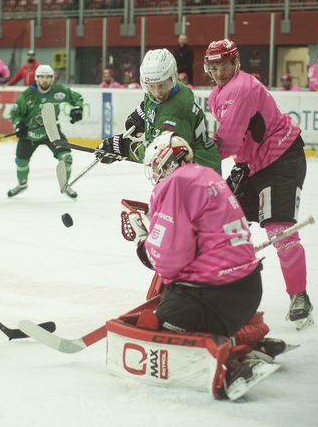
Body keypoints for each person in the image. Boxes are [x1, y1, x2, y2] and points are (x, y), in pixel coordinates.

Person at [118, 132, 281, 400]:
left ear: (165, 163)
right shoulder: (208, 176)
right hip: (248, 289)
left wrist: (143, 241)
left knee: (157, 326)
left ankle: (231, 363)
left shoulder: (175, 184)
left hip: (212, 295)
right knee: (181, 310)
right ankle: (253, 340)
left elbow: (169, 260)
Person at [204, 39, 313, 330]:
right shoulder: (216, 96)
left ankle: (299, 296)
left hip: (282, 159)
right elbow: (235, 143)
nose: (219, 72)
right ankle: (221, 288)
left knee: (280, 232)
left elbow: (226, 142)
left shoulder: (242, 88)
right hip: (252, 165)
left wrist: (188, 156)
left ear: (235, 63)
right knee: (219, 224)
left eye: (224, 66)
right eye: (214, 68)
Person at [96, 48, 220, 173]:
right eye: (151, 86)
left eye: (162, 85)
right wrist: (142, 113)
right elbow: (152, 102)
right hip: (183, 168)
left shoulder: (176, 112)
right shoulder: (173, 88)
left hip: (199, 173)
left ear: (173, 77)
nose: (157, 93)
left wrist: (124, 147)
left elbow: (161, 153)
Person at [8, 64, 83, 198]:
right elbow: (15, 112)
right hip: (29, 135)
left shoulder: (59, 91)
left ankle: (66, 185)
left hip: (52, 132)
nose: (45, 80)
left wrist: (77, 108)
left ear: (52, 79)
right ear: (36, 78)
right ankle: (22, 184)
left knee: (67, 158)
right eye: (41, 77)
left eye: (48, 77)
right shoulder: (27, 95)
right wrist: (19, 124)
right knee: (21, 162)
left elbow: (77, 98)